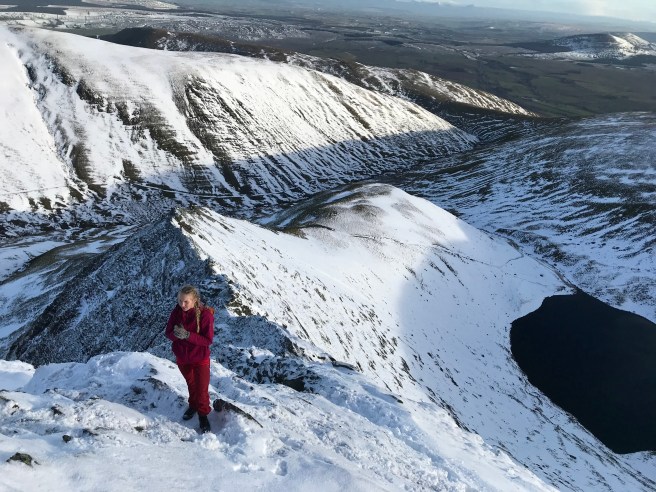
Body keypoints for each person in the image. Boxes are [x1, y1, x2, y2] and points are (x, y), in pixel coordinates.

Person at [165, 285, 214, 433]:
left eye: (186, 301)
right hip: (183, 357)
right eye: (180, 300)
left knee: (202, 388)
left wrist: (188, 335)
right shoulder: (177, 311)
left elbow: (208, 340)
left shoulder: (205, 315)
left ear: (194, 301)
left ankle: (203, 414)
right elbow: (168, 333)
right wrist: (176, 335)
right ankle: (193, 405)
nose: (182, 304)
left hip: (200, 358)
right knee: (191, 384)